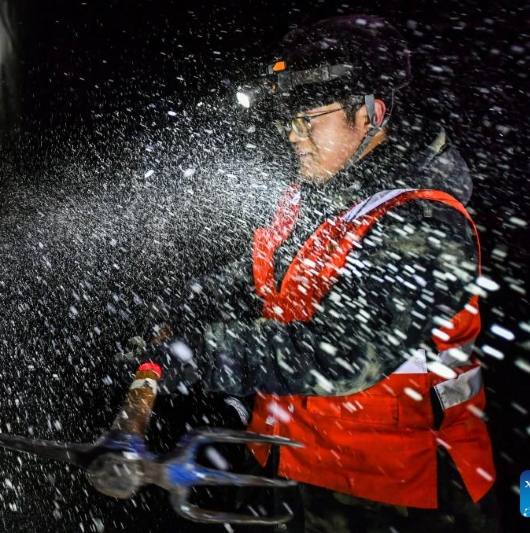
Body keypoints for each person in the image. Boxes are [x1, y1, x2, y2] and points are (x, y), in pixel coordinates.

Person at [128, 14, 498, 532]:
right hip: (296, 470)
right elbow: (271, 275)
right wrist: (185, 303)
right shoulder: (318, 197)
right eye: (288, 122)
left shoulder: (425, 222)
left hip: (402, 492)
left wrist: (196, 354)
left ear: (371, 114)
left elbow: (345, 354)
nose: (294, 136)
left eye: (309, 120)